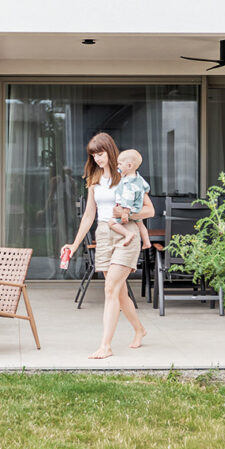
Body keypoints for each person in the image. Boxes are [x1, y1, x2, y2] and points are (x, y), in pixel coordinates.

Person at [61, 133, 155, 359]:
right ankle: (140, 329)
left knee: (110, 288)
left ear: (110, 151)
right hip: (103, 233)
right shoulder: (94, 179)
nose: (97, 159)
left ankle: (106, 346)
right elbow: (88, 216)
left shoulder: (128, 177)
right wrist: (73, 246)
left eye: (101, 154)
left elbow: (149, 210)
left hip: (126, 233)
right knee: (119, 293)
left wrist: (127, 213)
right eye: (93, 156)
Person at [106, 149, 151, 250]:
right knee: (140, 224)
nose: (118, 166)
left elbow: (128, 199)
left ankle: (127, 234)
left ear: (129, 166)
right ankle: (147, 242)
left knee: (111, 223)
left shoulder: (128, 184)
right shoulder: (138, 178)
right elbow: (146, 187)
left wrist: (125, 213)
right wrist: (145, 192)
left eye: (120, 164)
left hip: (128, 209)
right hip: (137, 207)